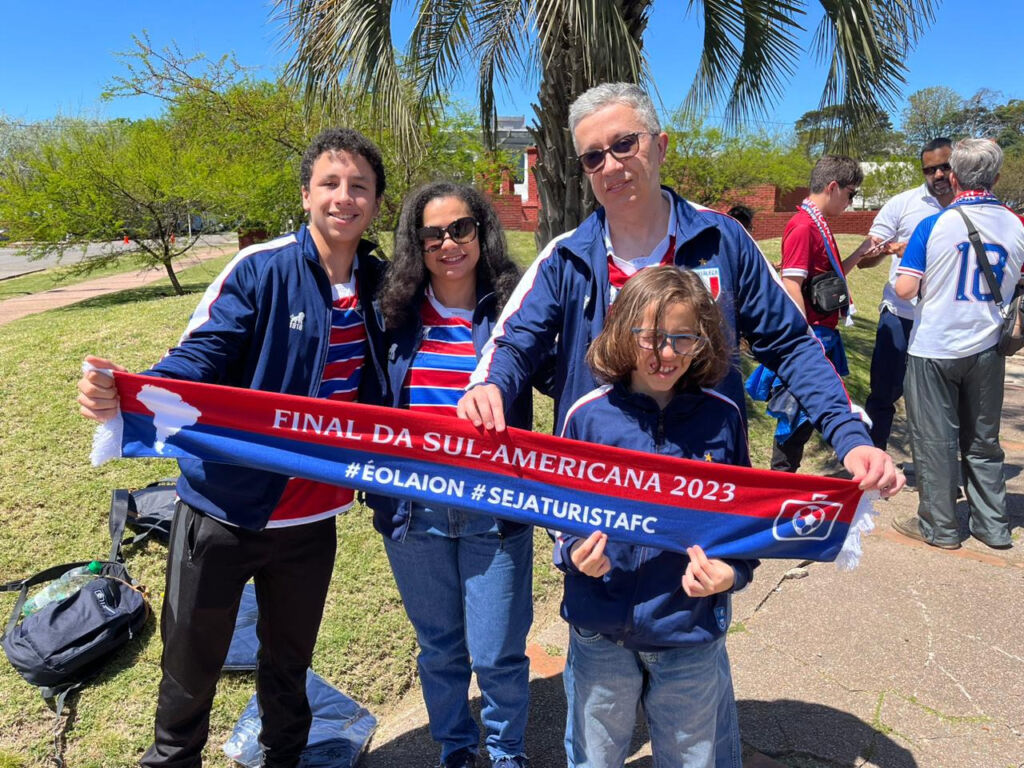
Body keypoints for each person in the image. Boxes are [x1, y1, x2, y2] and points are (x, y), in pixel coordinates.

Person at [75, 128, 389, 767]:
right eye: (330, 183)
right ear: (306, 195)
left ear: (377, 204)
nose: (344, 197)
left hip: (312, 518)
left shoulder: (386, 284)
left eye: (359, 186)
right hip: (222, 509)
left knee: (288, 663)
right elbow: (202, 354)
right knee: (191, 663)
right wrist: (134, 393)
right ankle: (173, 760)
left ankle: (284, 757)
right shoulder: (262, 268)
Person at [458, 82, 901, 496]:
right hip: (596, 484)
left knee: (708, 580)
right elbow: (516, 341)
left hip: (704, 478)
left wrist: (847, 433)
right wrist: (490, 385)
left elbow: (790, 343)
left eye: (624, 144)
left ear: (661, 146)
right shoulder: (567, 257)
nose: (610, 165)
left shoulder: (721, 240)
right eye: (593, 157)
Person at [554, 266, 754, 768]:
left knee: (691, 759)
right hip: (599, 627)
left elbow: (745, 518)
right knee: (593, 757)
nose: (664, 354)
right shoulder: (587, 416)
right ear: (622, 333)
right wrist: (574, 555)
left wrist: (734, 573)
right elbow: (558, 511)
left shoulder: (723, 417)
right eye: (650, 338)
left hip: (688, 630)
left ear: (701, 342)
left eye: (681, 339)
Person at [368, 182, 533, 768]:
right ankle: (456, 751)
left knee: (497, 654)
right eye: (432, 234)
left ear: (481, 231)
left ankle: (507, 752)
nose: (448, 244)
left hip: (496, 509)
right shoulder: (392, 316)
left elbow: (568, 371)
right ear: (417, 244)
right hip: (415, 514)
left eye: (460, 229)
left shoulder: (517, 311)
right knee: (439, 649)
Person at [891, 138, 1024, 551]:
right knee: (983, 440)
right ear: (997, 177)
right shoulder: (1017, 225)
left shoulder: (935, 225)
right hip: (987, 347)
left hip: (934, 346)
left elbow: (904, 286)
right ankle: (993, 525)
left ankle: (941, 526)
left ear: (953, 175)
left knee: (936, 440)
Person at [846, 138, 955, 449]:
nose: (937, 175)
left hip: (944, 318)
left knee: (940, 399)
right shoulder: (902, 204)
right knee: (883, 393)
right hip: (900, 313)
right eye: (929, 169)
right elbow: (867, 258)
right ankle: (872, 463)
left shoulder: (968, 206)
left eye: (944, 167)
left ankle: (936, 472)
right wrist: (885, 251)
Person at [771, 155, 863, 473]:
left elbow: (832, 278)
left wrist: (864, 251)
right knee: (793, 418)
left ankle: (785, 482)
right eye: (851, 194)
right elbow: (791, 283)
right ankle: (780, 485)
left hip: (824, 332)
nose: (851, 203)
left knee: (808, 417)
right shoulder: (802, 227)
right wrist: (803, 338)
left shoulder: (818, 225)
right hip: (813, 335)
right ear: (834, 187)